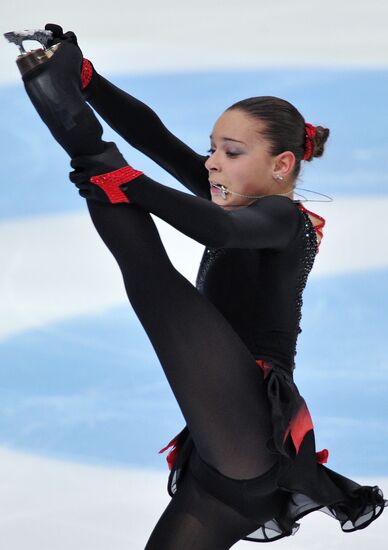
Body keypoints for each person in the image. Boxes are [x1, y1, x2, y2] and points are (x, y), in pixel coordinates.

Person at [12, 24, 387, 549]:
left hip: (250, 423)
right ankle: (76, 123)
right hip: (225, 470)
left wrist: (123, 180)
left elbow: (220, 230)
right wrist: (89, 79)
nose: (211, 162)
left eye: (231, 153)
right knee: (139, 253)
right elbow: (157, 137)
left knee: (148, 273)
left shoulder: (282, 219)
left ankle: (80, 139)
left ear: (281, 167)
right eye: (213, 150)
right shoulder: (233, 194)